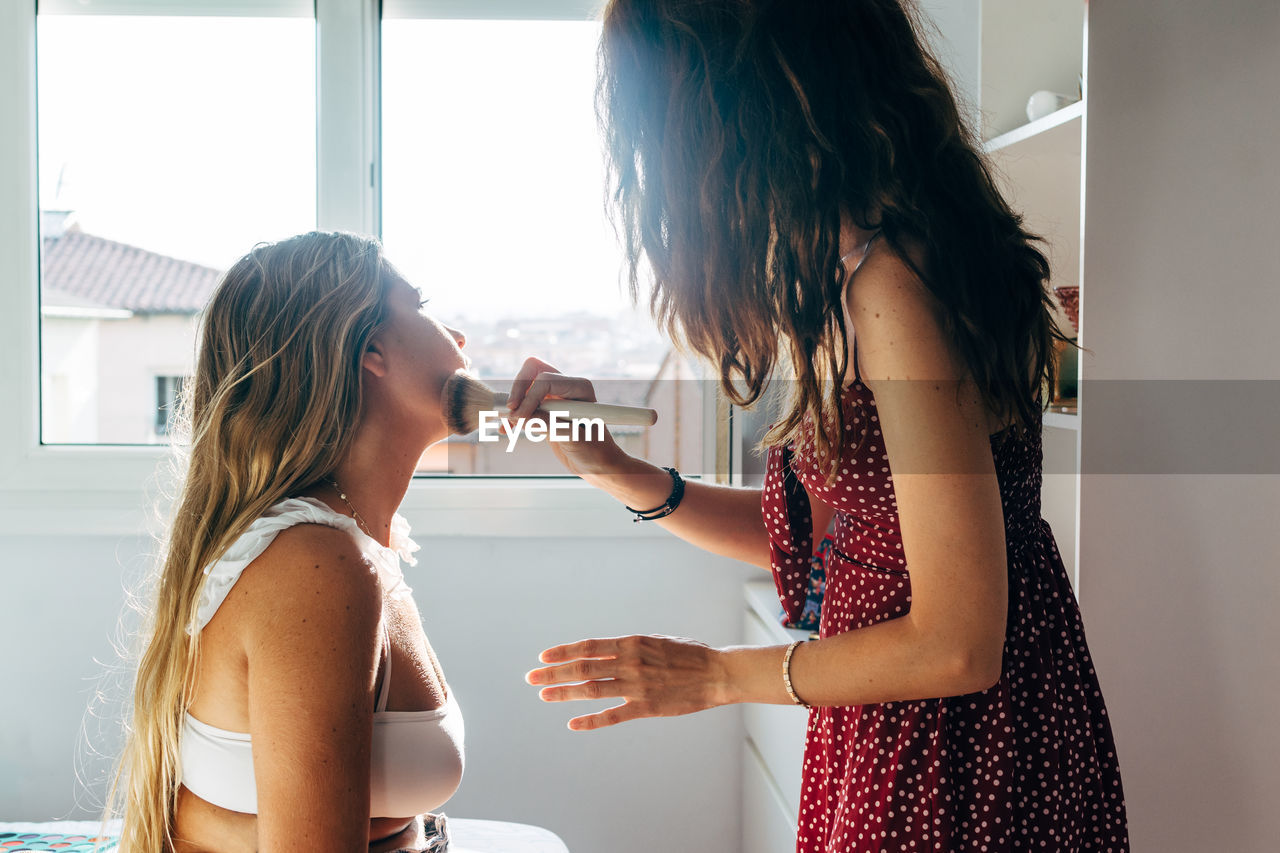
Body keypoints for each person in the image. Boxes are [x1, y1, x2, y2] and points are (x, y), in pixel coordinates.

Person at [520, 1, 1129, 850]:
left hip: (953, 760)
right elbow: (867, 550)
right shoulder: (881, 262)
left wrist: (714, 675)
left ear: (740, 104)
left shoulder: (890, 284)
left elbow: (958, 642)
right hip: (926, 733)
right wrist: (627, 477)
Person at [110, 232, 467, 853]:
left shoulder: (357, 537)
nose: (458, 338)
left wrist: (571, 430)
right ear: (372, 349)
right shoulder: (316, 565)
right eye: (424, 305)